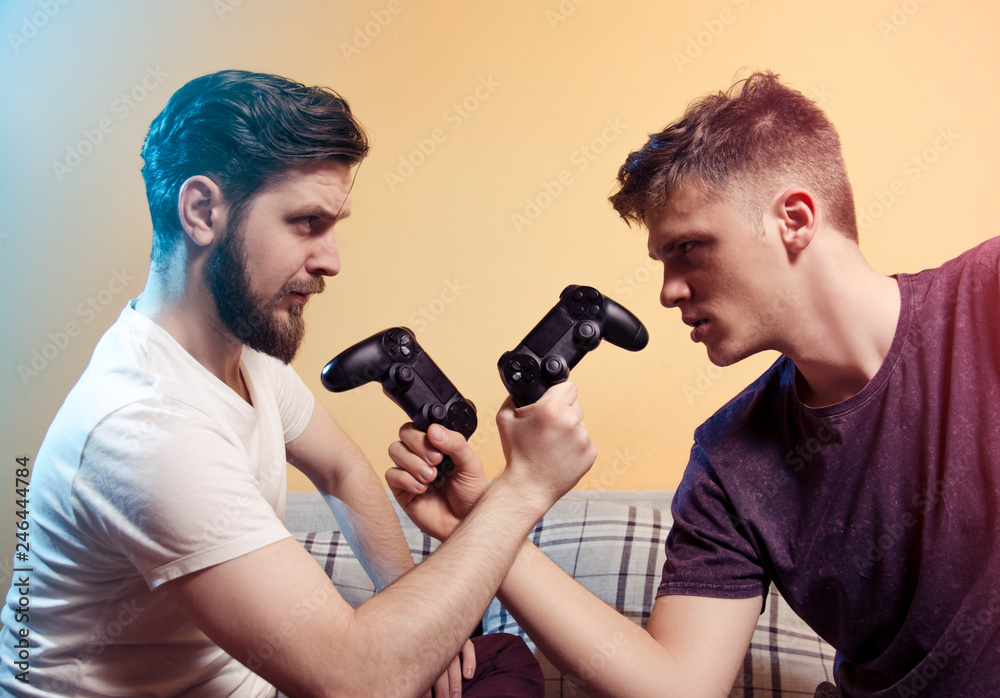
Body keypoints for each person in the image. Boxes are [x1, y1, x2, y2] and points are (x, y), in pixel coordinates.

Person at [387, 71, 1000, 697]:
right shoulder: (729, 461)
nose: (667, 291)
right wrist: (485, 523)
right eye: (663, 261)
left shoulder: (986, 296)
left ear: (793, 219)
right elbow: (679, 686)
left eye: (689, 248)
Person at [0, 70, 598, 697]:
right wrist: (524, 487)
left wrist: (417, 624)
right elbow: (355, 681)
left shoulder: (244, 358)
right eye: (306, 223)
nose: (332, 260)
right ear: (203, 212)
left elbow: (343, 470)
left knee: (493, 658)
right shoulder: (145, 427)